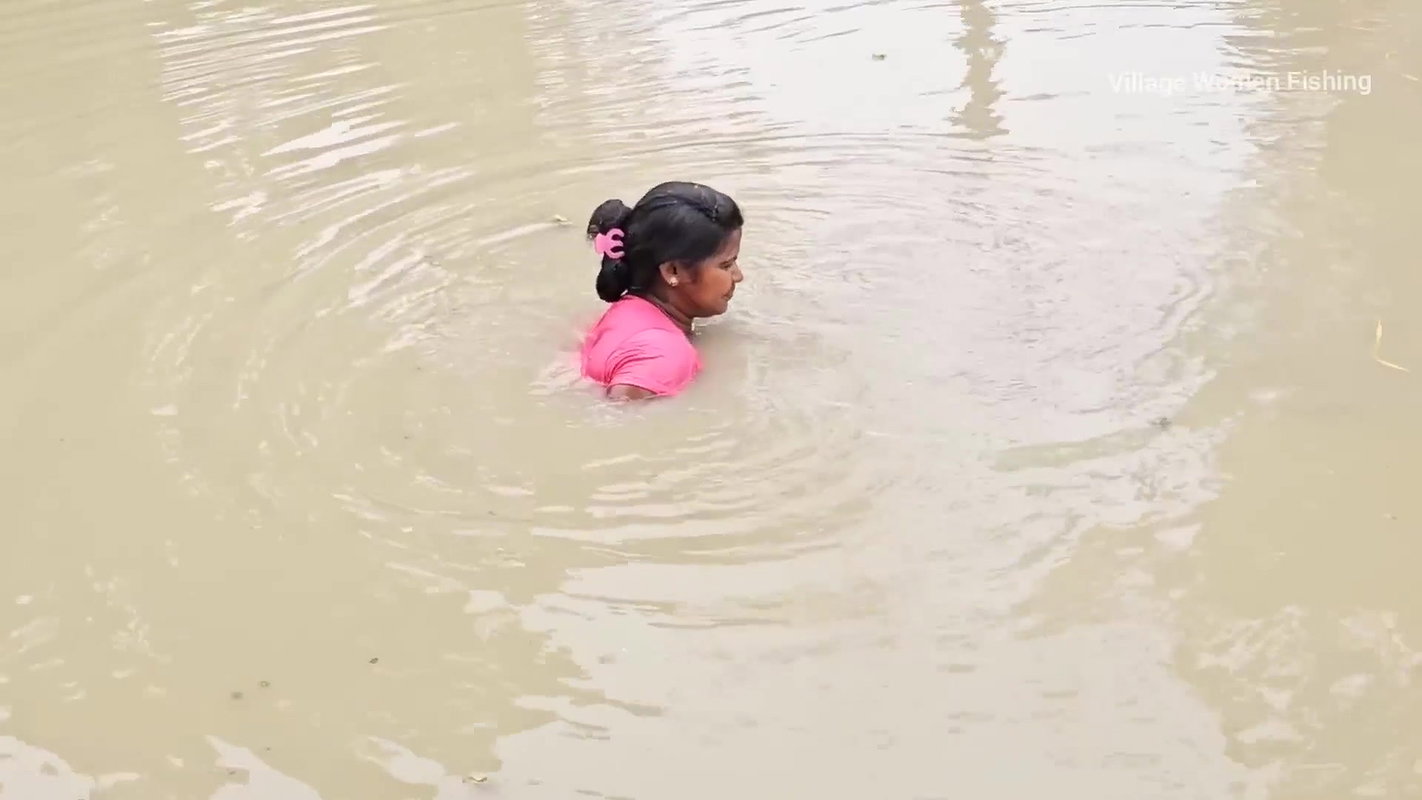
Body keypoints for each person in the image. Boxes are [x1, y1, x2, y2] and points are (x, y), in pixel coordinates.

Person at [579, 181, 745, 400]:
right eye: (726, 265)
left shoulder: (620, 314)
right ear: (672, 270)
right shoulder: (665, 354)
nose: (738, 276)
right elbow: (620, 417)